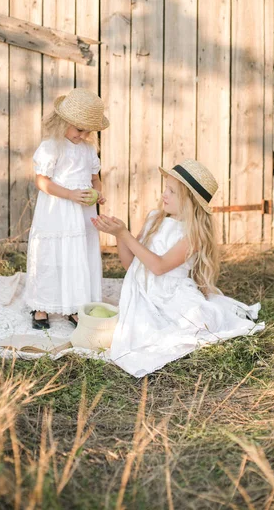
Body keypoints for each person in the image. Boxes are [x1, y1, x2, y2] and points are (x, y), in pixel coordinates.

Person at [91, 159, 264, 377]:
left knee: (195, 322)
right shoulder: (154, 219)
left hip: (171, 293)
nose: (164, 194)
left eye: (172, 191)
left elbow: (160, 267)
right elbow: (131, 266)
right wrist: (119, 236)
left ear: (189, 201)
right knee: (141, 330)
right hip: (145, 291)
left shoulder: (192, 235)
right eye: (166, 188)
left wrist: (125, 234)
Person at [25, 88, 109, 329]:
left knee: (78, 255)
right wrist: (70, 194)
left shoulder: (87, 150)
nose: (82, 135)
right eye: (79, 129)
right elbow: (42, 181)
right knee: (51, 255)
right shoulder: (51, 146)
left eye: (87, 131)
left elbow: (95, 179)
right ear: (64, 122)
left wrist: (99, 194)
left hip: (82, 212)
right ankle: (42, 305)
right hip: (57, 210)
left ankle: (75, 304)